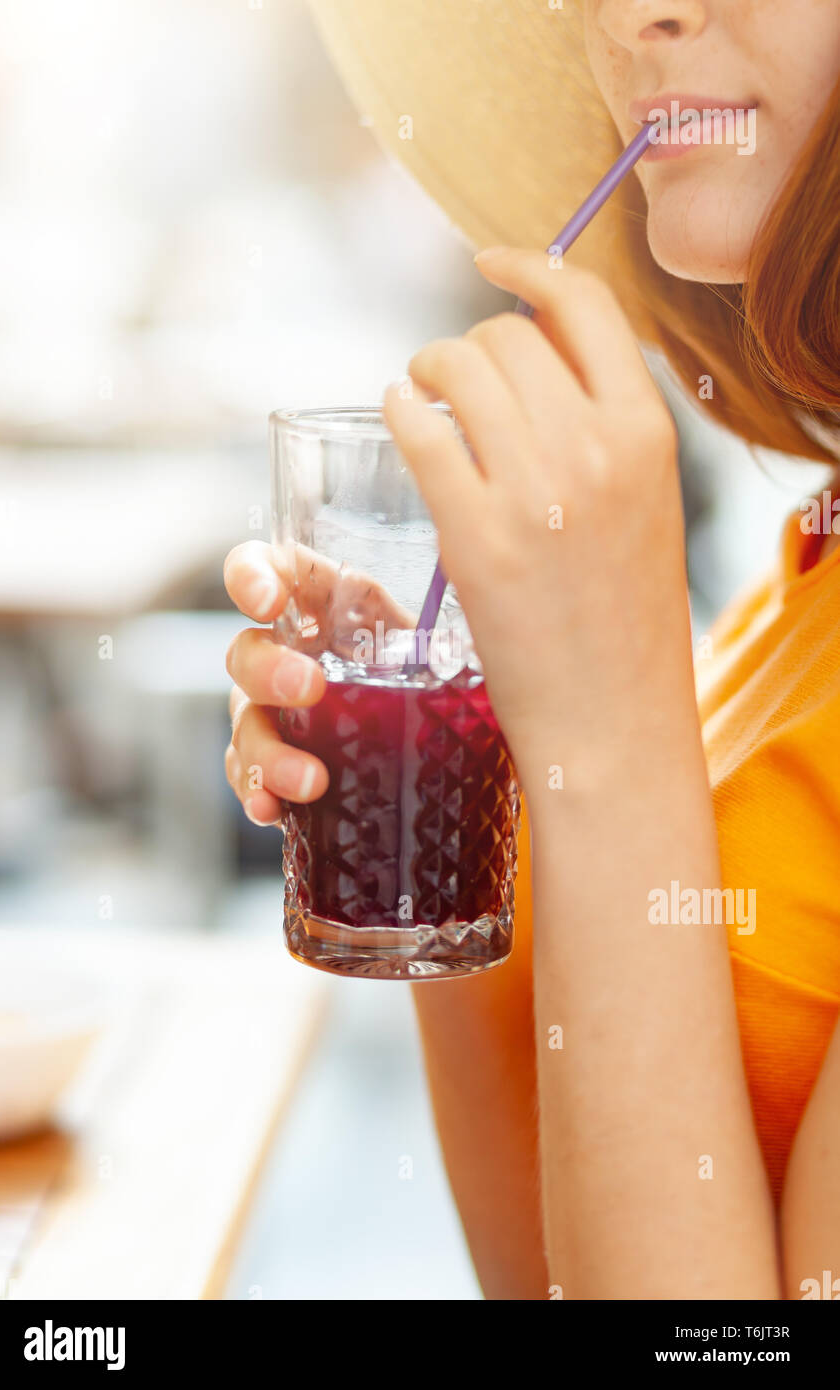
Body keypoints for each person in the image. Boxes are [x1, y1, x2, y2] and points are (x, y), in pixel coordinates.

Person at [223, 1, 840, 1299]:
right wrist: (484, 773)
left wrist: (608, 733)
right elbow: (542, 1276)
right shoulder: (803, 576)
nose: (627, 17)